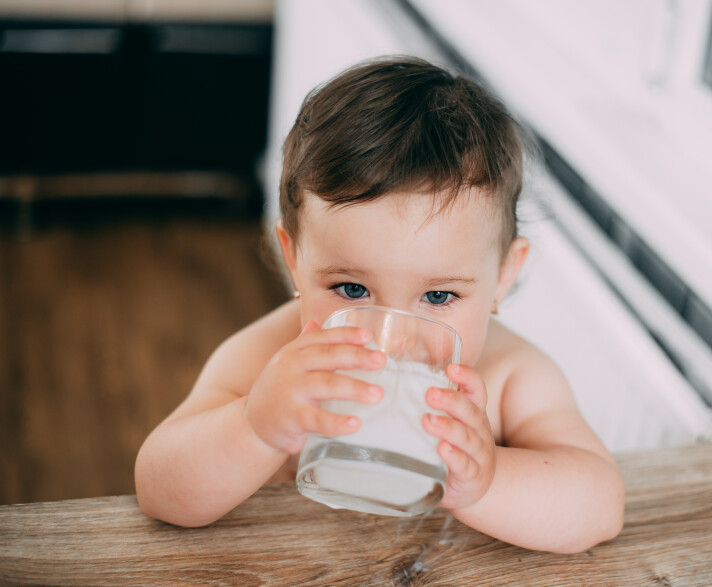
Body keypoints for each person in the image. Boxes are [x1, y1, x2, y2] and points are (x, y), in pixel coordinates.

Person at [135, 56, 624, 553]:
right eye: (350, 289)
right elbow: (159, 488)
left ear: (502, 278)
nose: (392, 341)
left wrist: (489, 483)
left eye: (438, 296)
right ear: (294, 261)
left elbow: (601, 506)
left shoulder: (512, 378)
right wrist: (254, 426)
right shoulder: (272, 359)